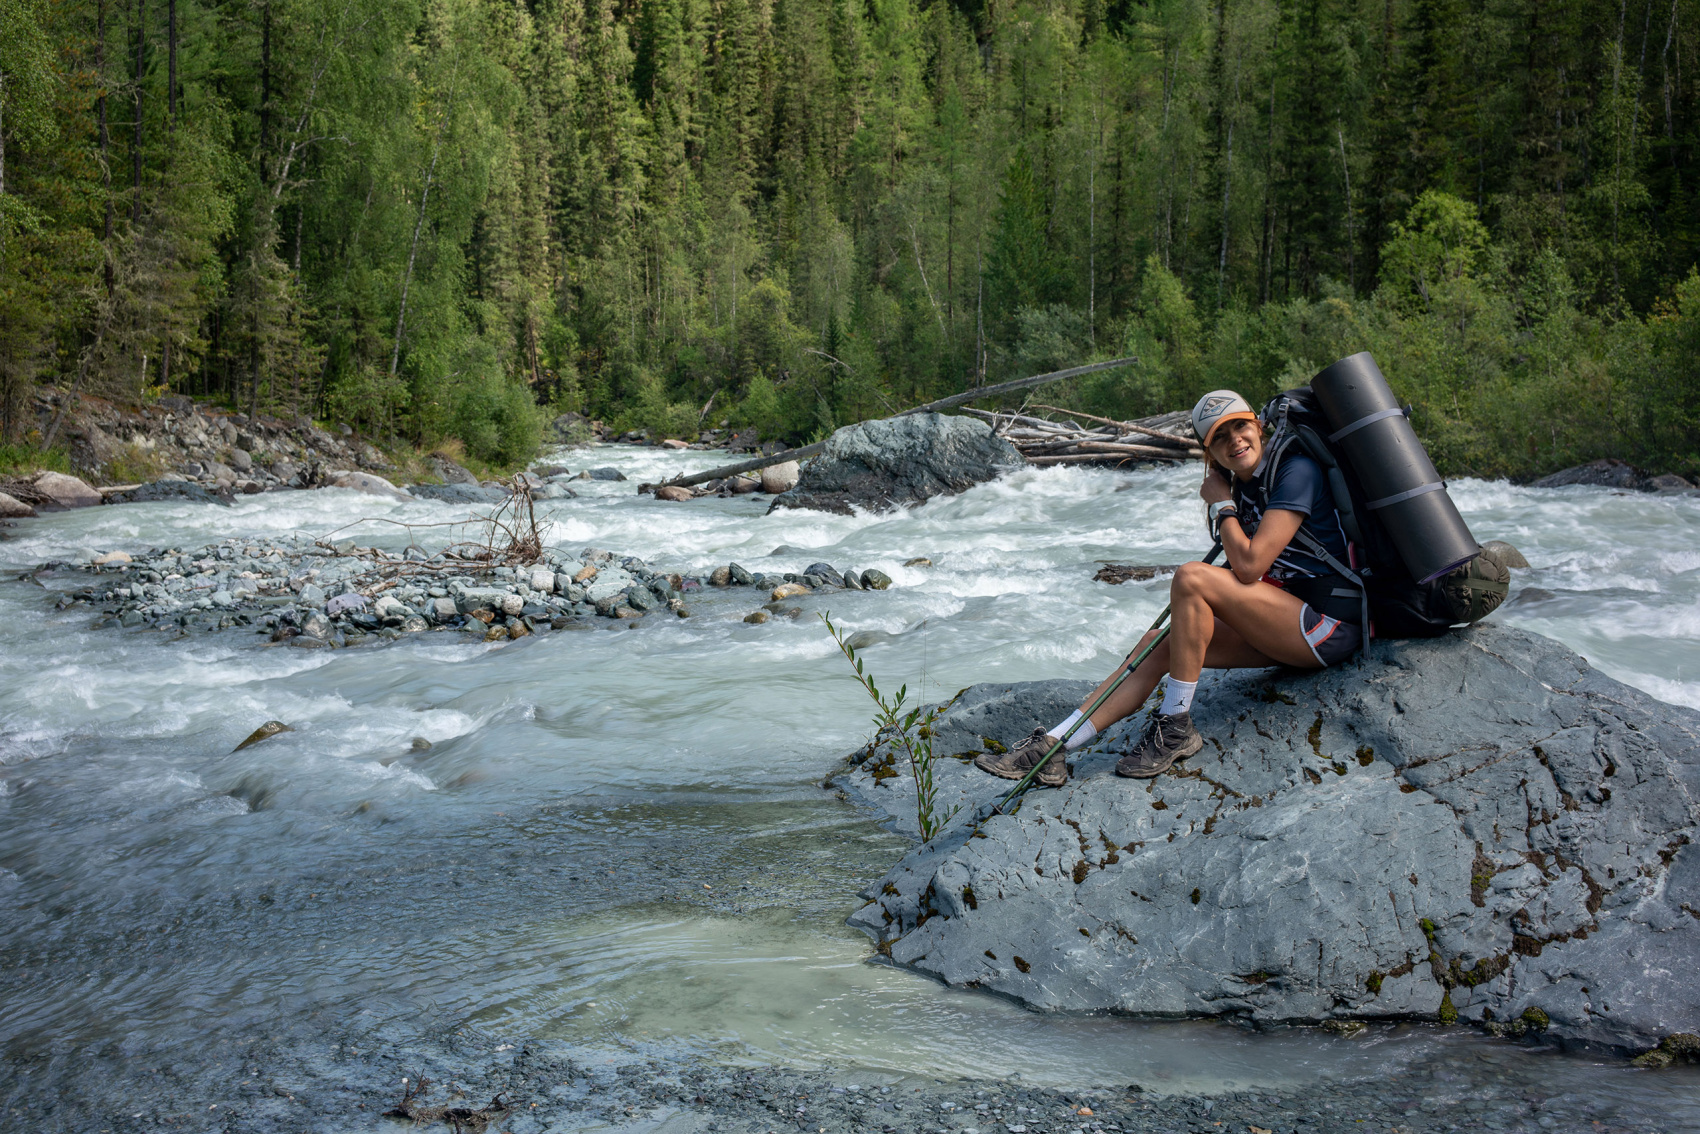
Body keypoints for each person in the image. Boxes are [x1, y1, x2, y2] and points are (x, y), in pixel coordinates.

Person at [975, 389, 1364, 787]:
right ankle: (1055, 747)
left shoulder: (1295, 471)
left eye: (1240, 426)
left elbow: (1249, 566)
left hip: (1327, 625)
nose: (1235, 440)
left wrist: (1222, 506)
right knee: (1156, 644)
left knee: (1192, 576)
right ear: (1209, 451)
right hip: (1282, 620)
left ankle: (1175, 725)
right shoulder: (1245, 485)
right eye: (1220, 436)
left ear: (1259, 427)